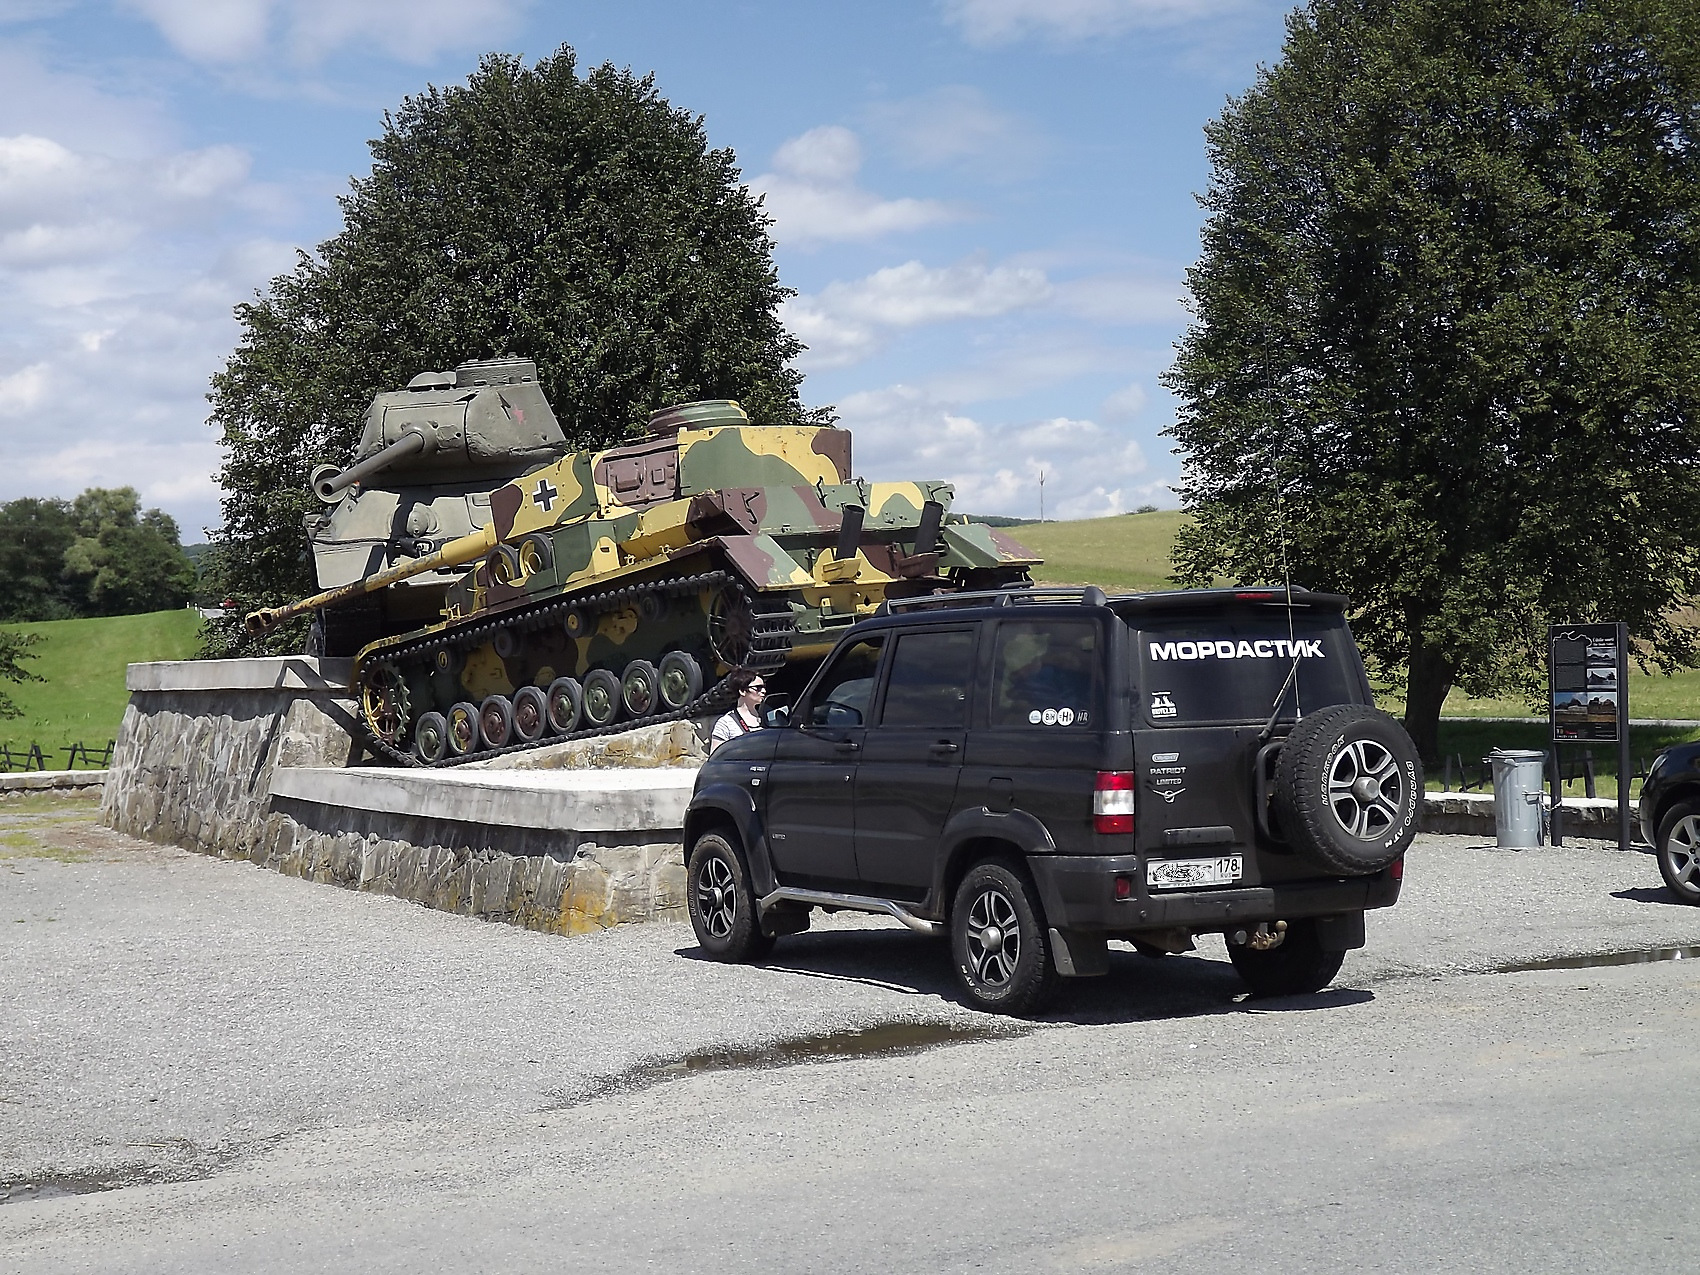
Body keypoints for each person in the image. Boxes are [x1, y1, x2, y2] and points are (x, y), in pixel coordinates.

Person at [710, 671, 767, 750]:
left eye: (764, 687)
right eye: (758, 688)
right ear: (742, 691)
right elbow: (715, 757)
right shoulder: (726, 723)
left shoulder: (767, 717)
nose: (764, 691)